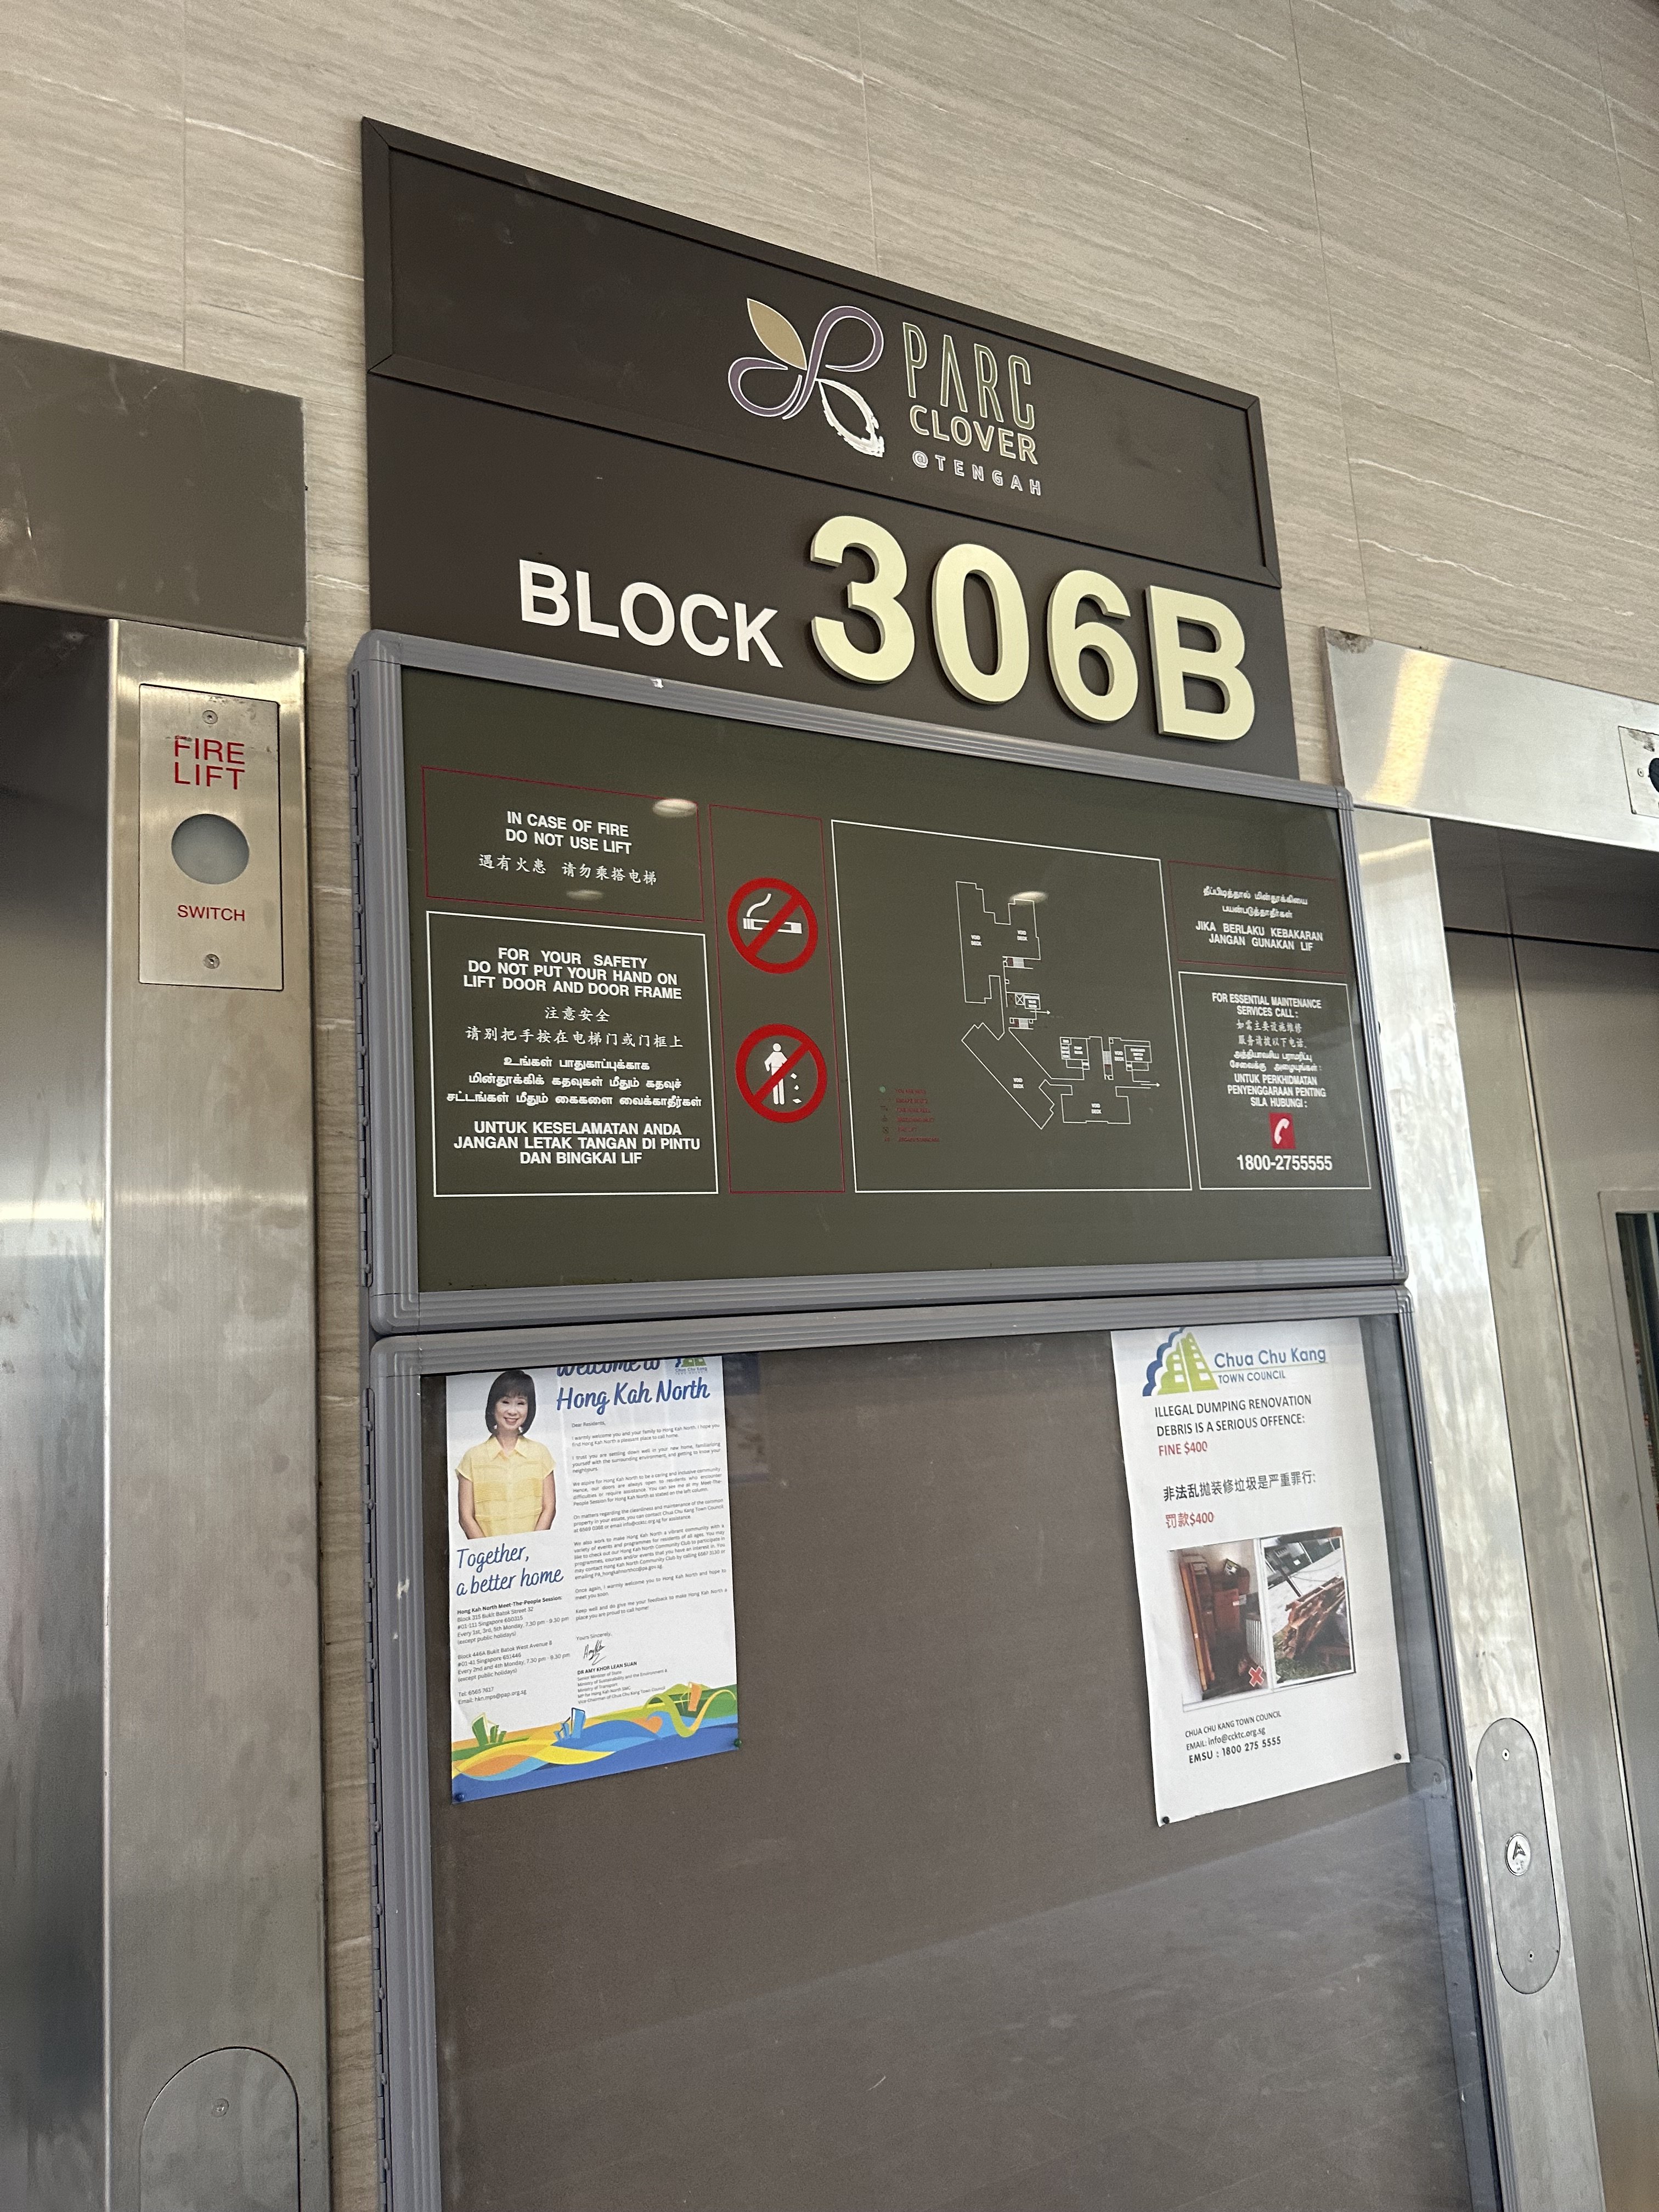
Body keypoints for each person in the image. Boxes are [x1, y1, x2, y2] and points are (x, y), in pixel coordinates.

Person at [455, 1369, 556, 1538]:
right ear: (493, 1406)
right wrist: (489, 1550)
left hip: (532, 1550)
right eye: (506, 1402)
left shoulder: (541, 1453)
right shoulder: (472, 1457)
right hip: (489, 1552)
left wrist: (531, 1546)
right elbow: (466, 1518)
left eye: (521, 1403)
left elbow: (549, 1509)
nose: (513, 1411)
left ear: (530, 1408)